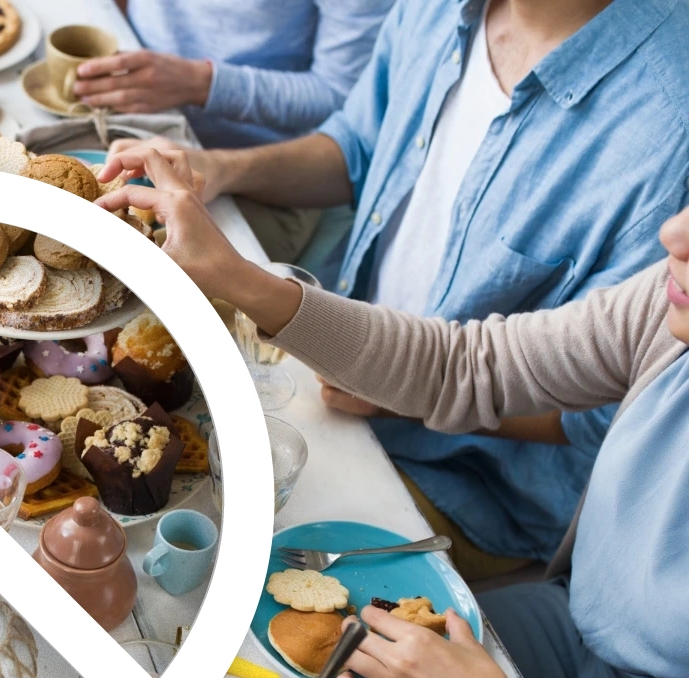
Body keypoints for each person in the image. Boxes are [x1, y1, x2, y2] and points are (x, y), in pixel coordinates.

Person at [98, 146, 689, 678]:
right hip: (571, 636)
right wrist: (236, 277)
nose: (674, 231)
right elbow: (464, 364)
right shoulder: (670, 303)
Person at [110, 0, 689, 581]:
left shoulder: (670, 125)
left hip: (468, 480)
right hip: (341, 366)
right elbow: (357, 145)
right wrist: (218, 168)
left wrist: (398, 390)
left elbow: (606, 408)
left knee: (211, 556)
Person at [74, 0, 396, 264]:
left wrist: (201, 83)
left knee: (145, 277)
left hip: (267, 174)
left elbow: (344, 98)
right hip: (138, 110)